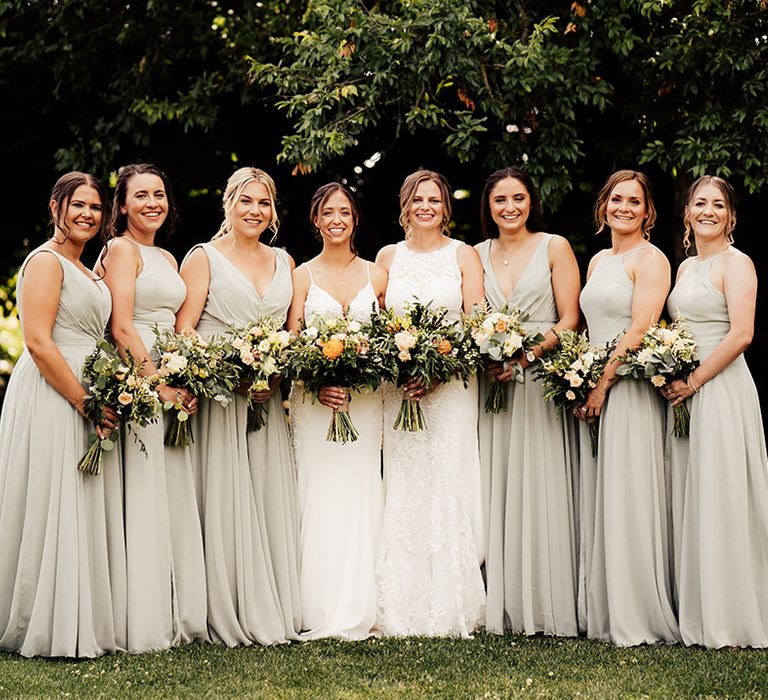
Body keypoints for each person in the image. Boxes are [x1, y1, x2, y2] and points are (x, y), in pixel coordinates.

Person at [0, 172, 126, 657]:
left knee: (79, 500)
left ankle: (80, 614)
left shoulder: (90, 269)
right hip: (55, 390)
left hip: (89, 382)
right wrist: (83, 399)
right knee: (53, 497)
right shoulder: (45, 262)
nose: (88, 215)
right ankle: (44, 619)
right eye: (78, 205)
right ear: (56, 207)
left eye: (96, 207)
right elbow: (36, 340)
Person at [176, 166, 298, 645]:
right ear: (228, 204)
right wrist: (229, 369)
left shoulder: (285, 261)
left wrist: (272, 372)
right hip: (219, 399)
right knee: (223, 497)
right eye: (246, 201)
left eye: (263, 203)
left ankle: (267, 601)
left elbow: (291, 333)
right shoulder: (203, 257)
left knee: (264, 493)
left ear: (273, 211)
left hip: (265, 400)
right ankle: (221, 602)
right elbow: (183, 328)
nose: (255, 211)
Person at [98, 163, 207, 652]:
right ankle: (140, 618)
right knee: (143, 494)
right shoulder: (121, 249)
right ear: (121, 205)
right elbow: (121, 325)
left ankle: (174, 606)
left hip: (171, 375)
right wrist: (157, 383)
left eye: (159, 194)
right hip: (140, 381)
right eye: (140, 195)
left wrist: (188, 374)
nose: (152, 203)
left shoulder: (165, 254)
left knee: (170, 494)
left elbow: (181, 320)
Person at [375, 169, 485, 637]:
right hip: (398, 390)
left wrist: (438, 372)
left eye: (434, 200)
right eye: (417, 199)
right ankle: (399, 601)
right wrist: (399, 370)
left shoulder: (464, 255)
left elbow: (477, 324)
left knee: (446, 480)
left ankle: (449, 601)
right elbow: (376, 324)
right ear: (405, 205)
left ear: (445, 208)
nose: (426, 207)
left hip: (451, 388)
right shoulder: (386, 256)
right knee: (403, 483)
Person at [662, 176, 768, 648]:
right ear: (687, 213)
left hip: (720, 389)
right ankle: (700, 610)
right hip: (686, 388)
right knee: (694, 493)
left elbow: (742, 333)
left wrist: (696, 380)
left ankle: (733, 616)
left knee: (723, 492)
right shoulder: (685, 270)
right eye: (699, 203)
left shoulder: (737, 263)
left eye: (718, 205)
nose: (708, 211)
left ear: (731, 215)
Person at [475, 167, 581, 636]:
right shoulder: (474, 254)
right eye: (500, 200)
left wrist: (527, 355)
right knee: (495, 482)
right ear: (489, 207)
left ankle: (543, 599)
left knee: (538, 481)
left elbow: (570, 317)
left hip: (538, 377)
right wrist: (490, 351)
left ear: (531, 202)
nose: (510, 207)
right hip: (493, 380)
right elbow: (470, 316)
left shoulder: (554, 246)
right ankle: (497, 596)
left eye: (518, 198)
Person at [576, 169, 679, 646]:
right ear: (604, 206)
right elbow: (590, 326)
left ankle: (637, 613)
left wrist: (601, 383)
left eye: (634, 202)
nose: (623, 208)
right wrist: (575, 380)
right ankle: (605, 607)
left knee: (630, 493)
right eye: (616, 199)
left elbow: (640, 326)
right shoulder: (598, 260)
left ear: (648, 212)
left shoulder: (651, 259)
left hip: (629, 389)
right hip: (596, 385)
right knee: (602, 494)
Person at [287, 182, 388, 640]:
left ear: (355, 219)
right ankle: (317, 605)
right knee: (319, 493)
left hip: (365, 405)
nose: (336, 220)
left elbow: (390, 342)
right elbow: (290, 343)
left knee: (362, 493)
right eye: (328, 212)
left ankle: (361, 603)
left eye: (344, 212)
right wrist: (316, 379)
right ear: (315, 220)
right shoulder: (301, 276)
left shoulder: (377, 276)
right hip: (316, 404)